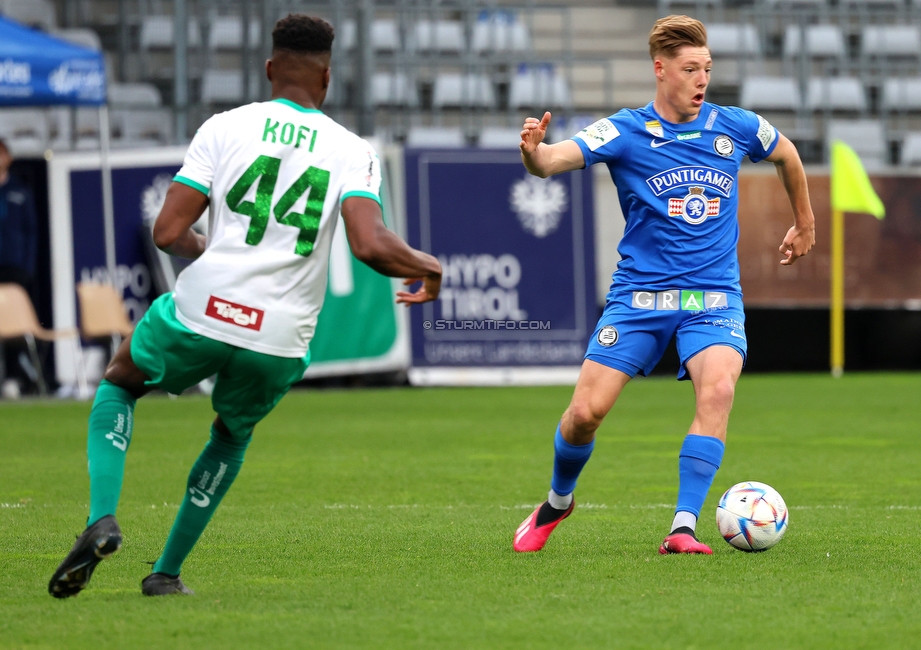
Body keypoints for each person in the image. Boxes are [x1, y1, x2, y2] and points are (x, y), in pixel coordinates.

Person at [49, 14, 442, 598]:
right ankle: (166, 573)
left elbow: (167, 232)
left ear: (268, 69)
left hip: (207, 308)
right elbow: (369, 244)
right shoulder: (352, 151)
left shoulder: (225, 127)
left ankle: (102, 517)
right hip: (282, 337)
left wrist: (211, 247)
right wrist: (428, 266)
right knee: (230, 435)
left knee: (120, 382)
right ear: (327, 79)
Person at [512, 15, 815, 555]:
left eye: (707, 68)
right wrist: (534, 152)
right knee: (584, 416)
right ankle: (558, 501)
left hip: (713, 299)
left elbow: (788, 154)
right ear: (660, 69)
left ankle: (682, 526)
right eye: (691, 68)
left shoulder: (735, 126)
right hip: (639, 299)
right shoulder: (624, 131)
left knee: (718, 390)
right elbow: (553, 161)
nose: (702, 79)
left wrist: (805, 222)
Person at [0, 137, 39, 396]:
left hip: (14, 267)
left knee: (13, 325)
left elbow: (31, 232)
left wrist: (27, 267)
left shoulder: (20, 192)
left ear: (8, 158)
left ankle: (13, 377)